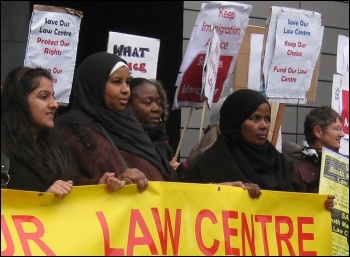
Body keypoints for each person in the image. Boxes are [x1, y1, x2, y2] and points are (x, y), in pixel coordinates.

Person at [182, 89, 334, 210]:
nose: (264, 125)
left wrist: (318, 206)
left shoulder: (281, 163)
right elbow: (187, 206)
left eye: (267, 119)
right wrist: (221, 192)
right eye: (255, 118)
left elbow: (295, 207)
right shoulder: (208, 164)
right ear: (236, 121)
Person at [56, 52, 179, 193]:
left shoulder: (130, 124)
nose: (126, 90)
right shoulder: (72, 129)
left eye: (127, 82)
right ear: (95, 83)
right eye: (116, 82)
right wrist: (107, 184)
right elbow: (65, 183)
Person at [1, 67, 75, 198]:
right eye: (43, 96)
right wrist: (42, 201)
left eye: (53, 96)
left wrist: (99, 190)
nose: (54, 105)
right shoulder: (5, 152)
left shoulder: (57, 148)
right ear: (19, 101)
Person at [128, 77, 179, 169]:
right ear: (128, 106)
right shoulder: (121, 142)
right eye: (148, 102)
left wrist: (174, 172)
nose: (156, 109)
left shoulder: (163, 144)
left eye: (159, 103)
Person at [292, 106, 345, 193]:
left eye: (342, 129)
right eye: (337, 129)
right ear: (318, 131)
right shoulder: (297, 167)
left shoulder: (342, 165)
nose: (342, 134)